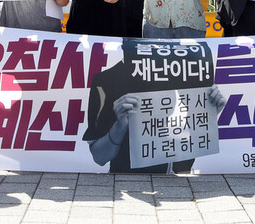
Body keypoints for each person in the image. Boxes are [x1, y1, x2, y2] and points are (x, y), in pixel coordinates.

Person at [83, 58, 226, 174]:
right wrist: (119, 126)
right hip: (127, 180)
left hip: (179, 185)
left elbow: (187, 145)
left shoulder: (189, 74)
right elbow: (99, 157)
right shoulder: (107, 79)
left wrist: (208, 115)